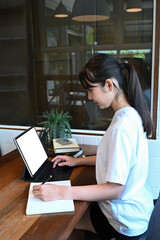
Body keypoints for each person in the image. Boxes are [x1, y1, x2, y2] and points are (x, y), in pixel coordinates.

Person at [33, 54, 154, 239]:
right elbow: (113, 159)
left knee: (58, 222)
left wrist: (61, 191)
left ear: (109, 85)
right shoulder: (130, 115)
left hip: (124, 219)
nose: (89, 97)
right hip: (135, 209)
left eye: (90, 90)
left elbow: (115, 189)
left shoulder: (122, 127)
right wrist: (76, 161)